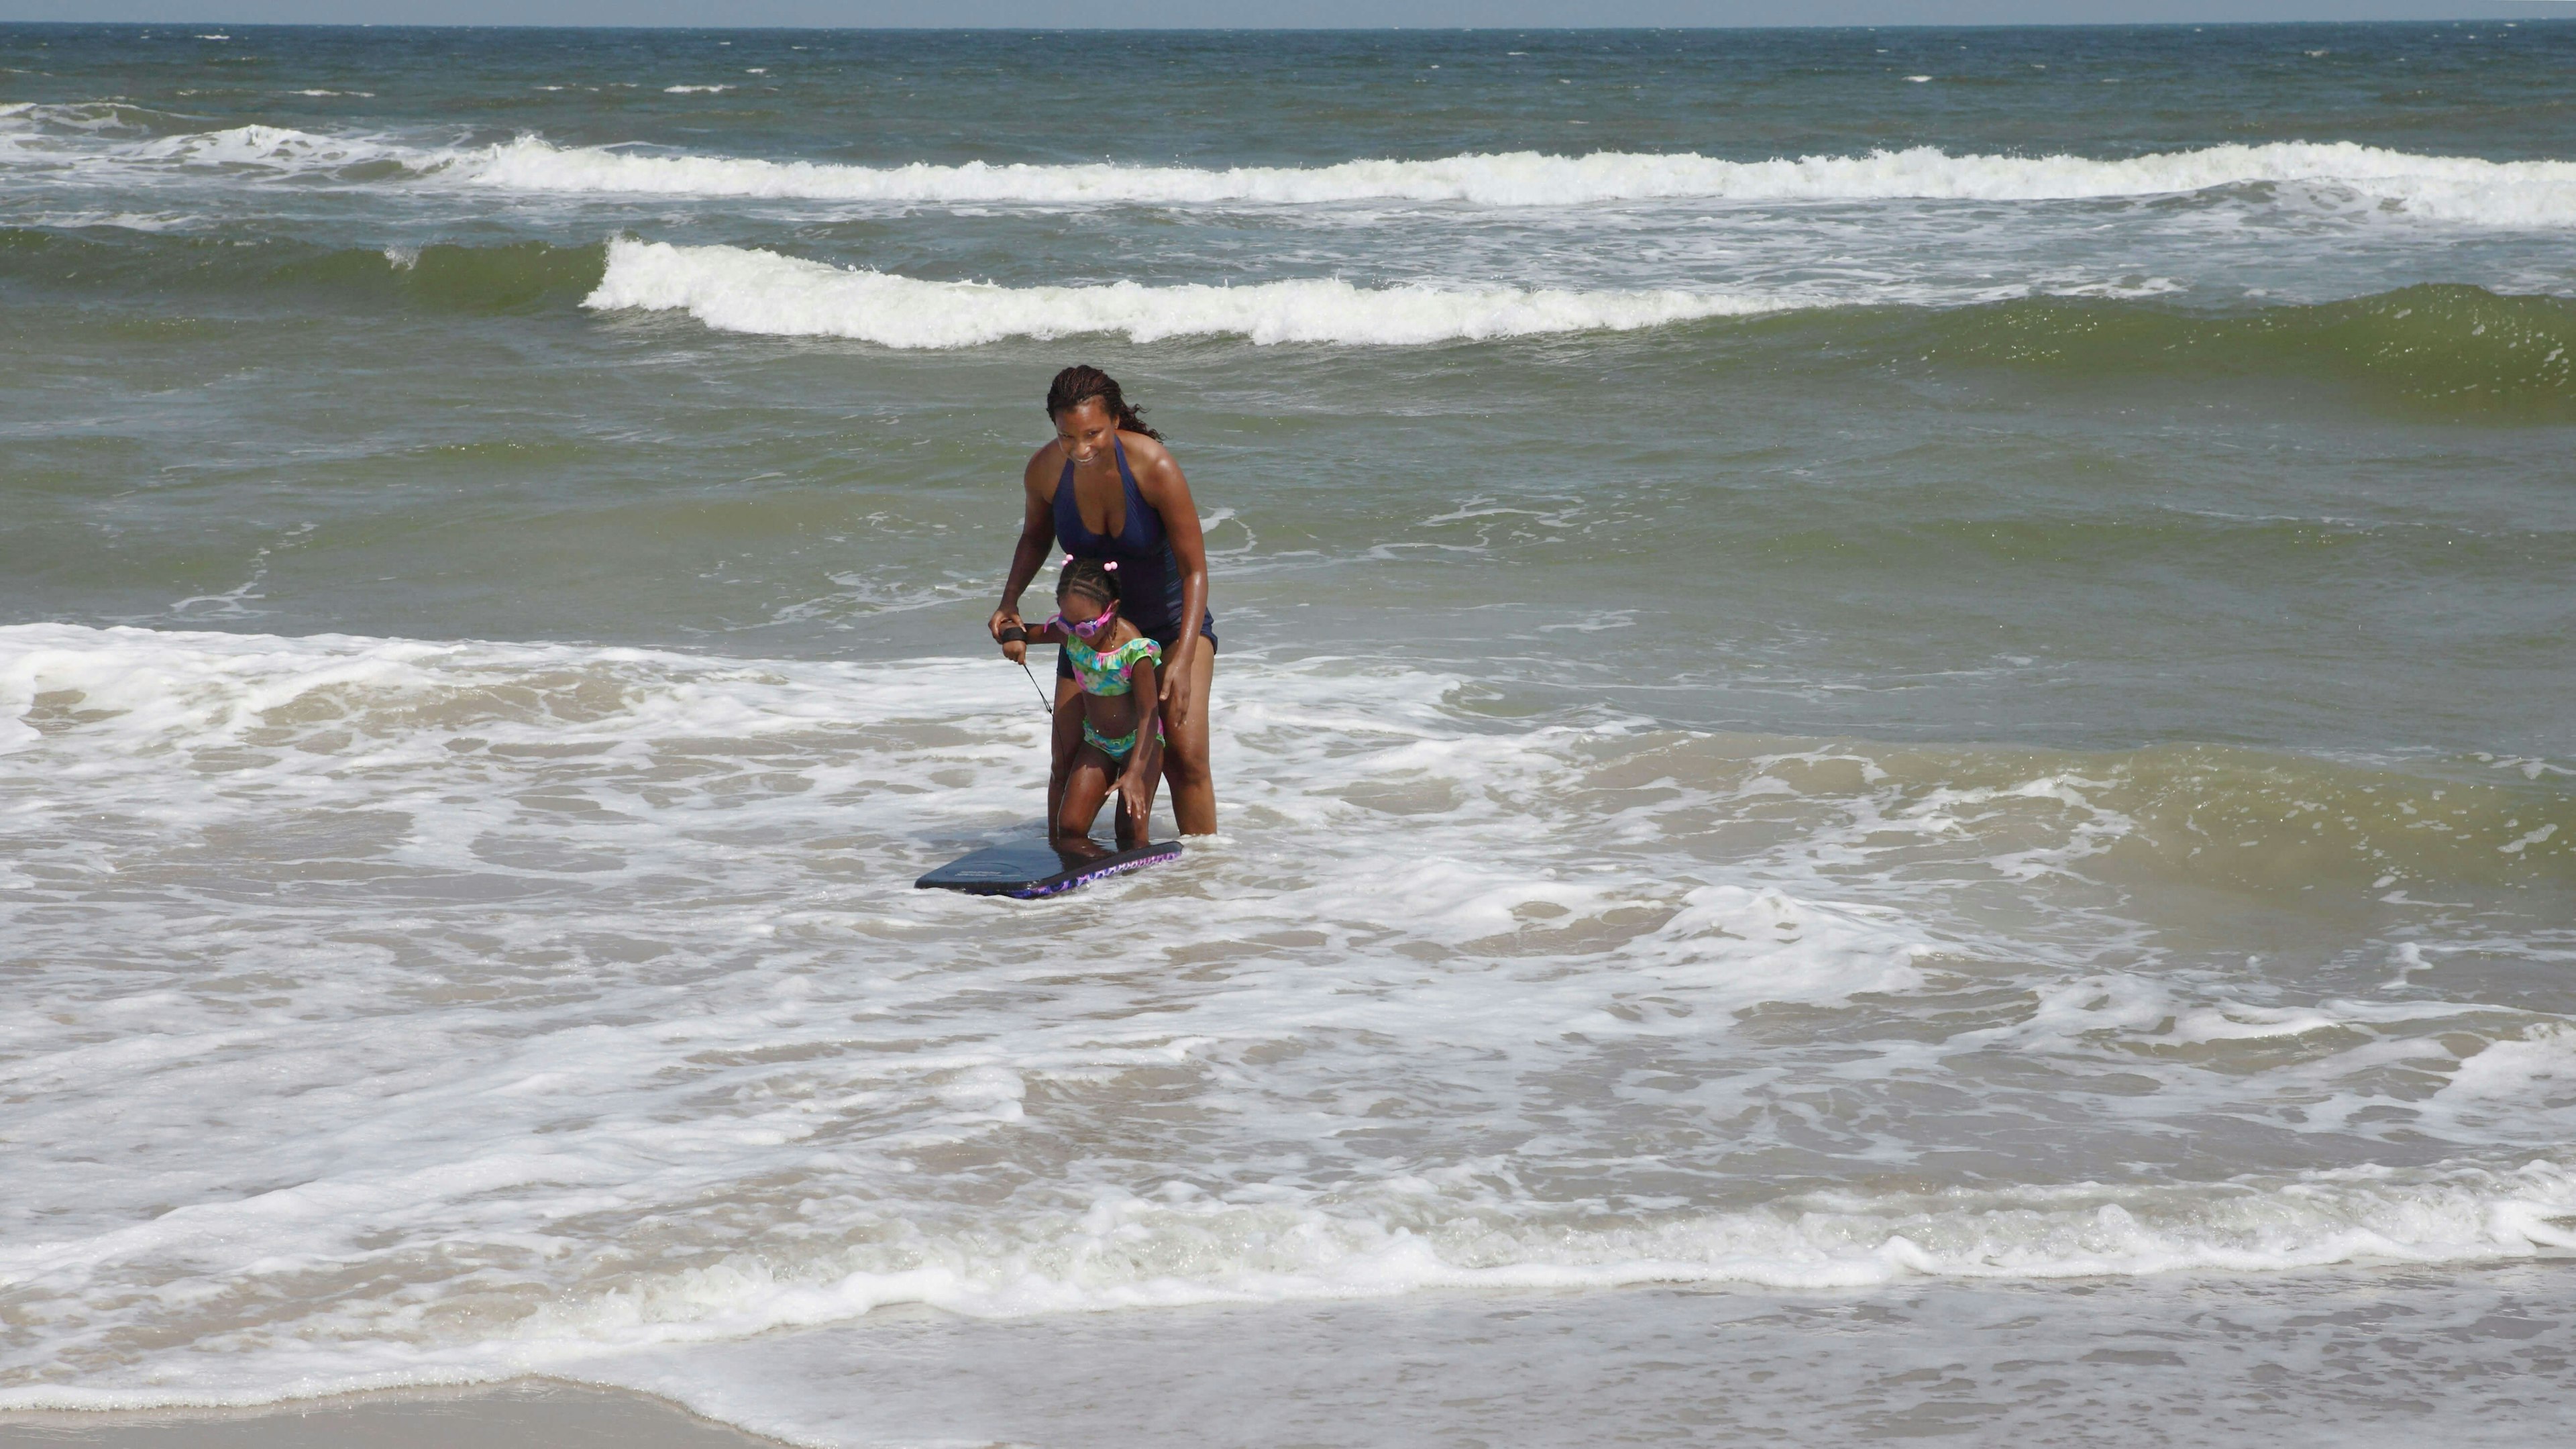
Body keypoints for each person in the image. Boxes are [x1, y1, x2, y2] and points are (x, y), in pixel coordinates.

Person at [989, 366, 1218, 838]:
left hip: (1171, 625)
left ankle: (1205, 880)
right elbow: (1035, 537)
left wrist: (1184, 657)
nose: (1080, 449)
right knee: (1067, 755)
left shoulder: (1154, 467)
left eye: (1092, 433)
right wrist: (1008, 601)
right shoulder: (1046, 470)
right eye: (1066, 436)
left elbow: (1195, 570)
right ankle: (1064, 861)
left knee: (1185, 755)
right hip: (1090, 633)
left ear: (1116, 420)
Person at [1000, 560, 1161, 851]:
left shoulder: (1134, 652)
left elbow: (1150, 713)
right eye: (1066, 622)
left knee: (1130, 835)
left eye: (1086, 626)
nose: (1076, 633)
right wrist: (1014, 639)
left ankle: (1140, 888)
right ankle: (1089, 880)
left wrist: (1135, 773)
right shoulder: (1070, 633)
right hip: (1098, 742)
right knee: (1070, 828)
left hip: (1140, 746)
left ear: (1111, 609)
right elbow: (1020, 630)